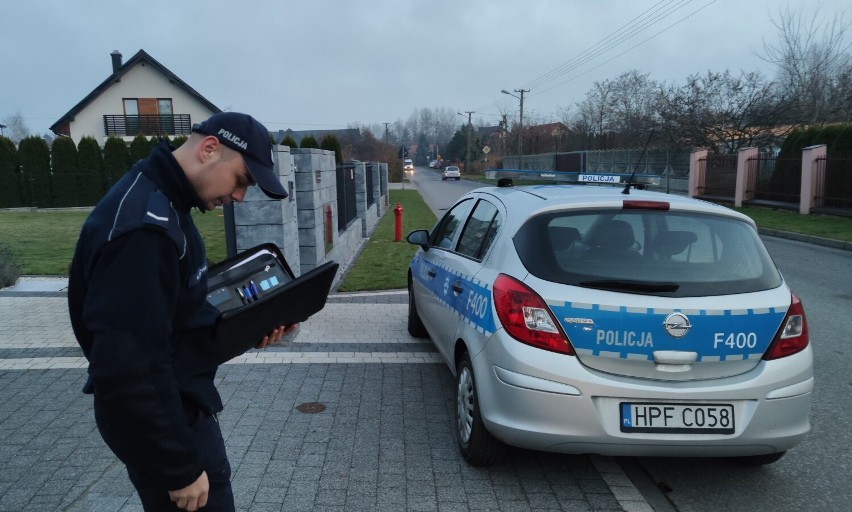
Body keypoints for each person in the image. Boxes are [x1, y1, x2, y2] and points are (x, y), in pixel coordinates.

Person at [68, 112, 296, 511]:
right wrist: (177, 466)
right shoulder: (144, 232)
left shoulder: (167, 205)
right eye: (242, 180)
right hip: (165, 424)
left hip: (177, 410)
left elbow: (175, 325)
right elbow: (126, 366)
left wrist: (245, 331)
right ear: (210, 149)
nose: (240, 197)